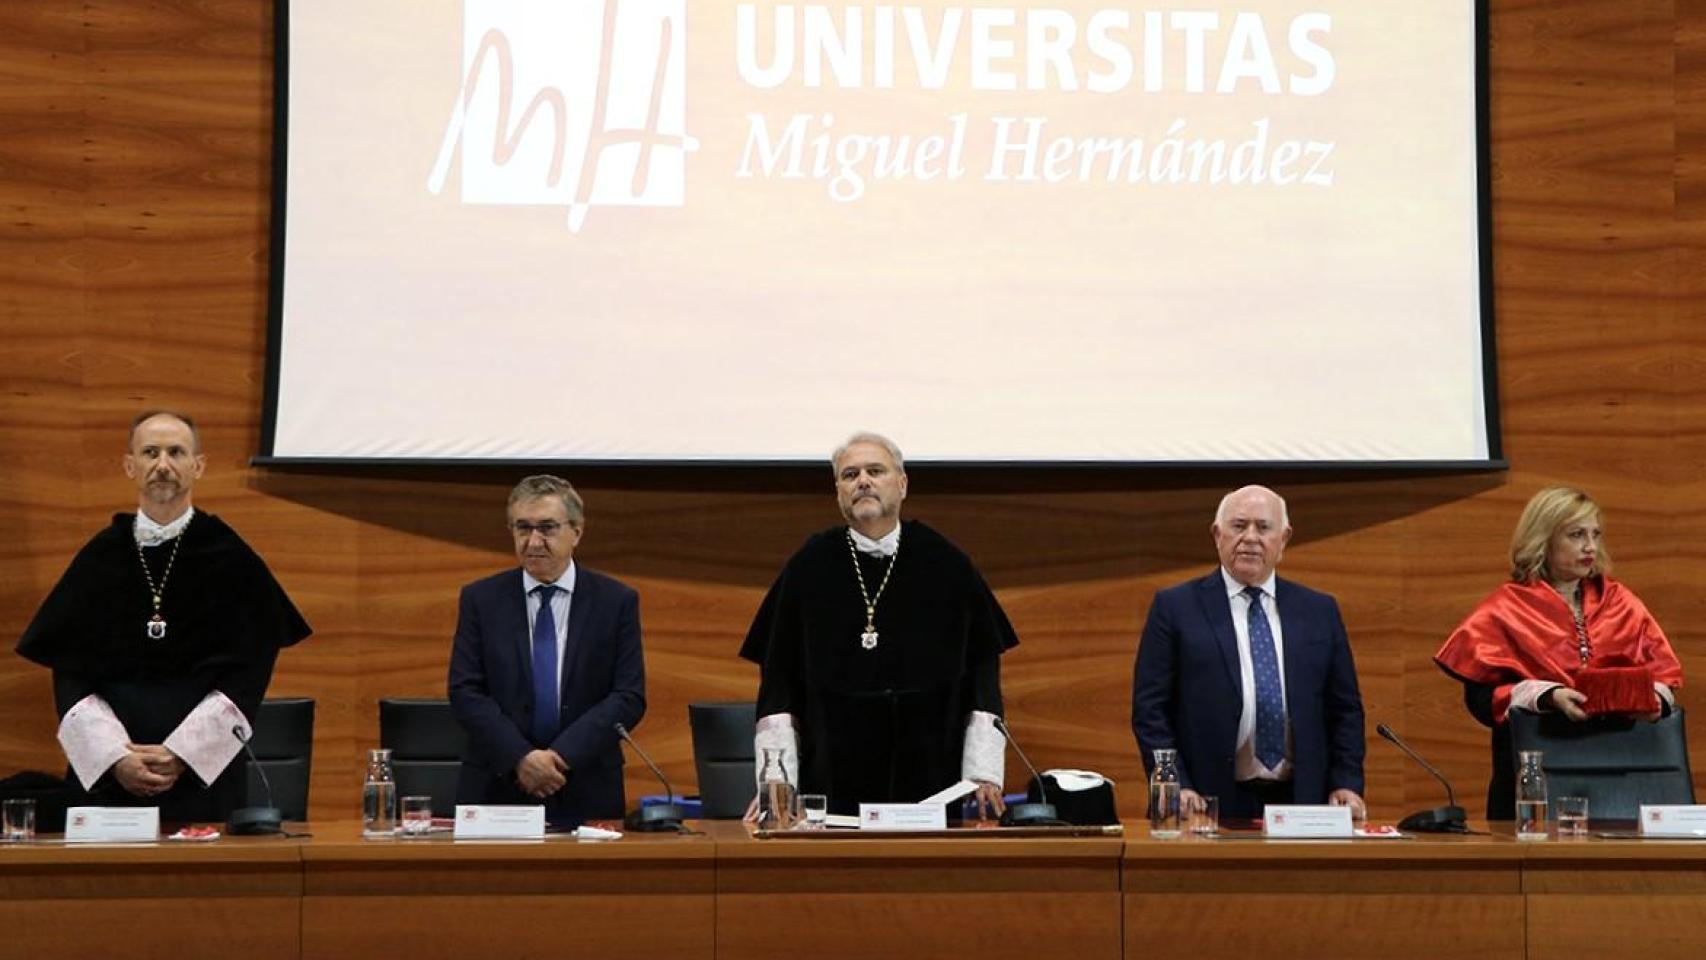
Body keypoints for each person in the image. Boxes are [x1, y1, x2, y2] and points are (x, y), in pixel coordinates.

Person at [15, 410, 311, 823]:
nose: (163, 465)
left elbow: (248, 675)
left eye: (176, 452)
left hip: (203, 781)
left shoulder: (231, 559)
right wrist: (116, 756)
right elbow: (70, 674)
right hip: (110, 782)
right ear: (130, 465)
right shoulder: (101, 559)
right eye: (150, 452)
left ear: (198, 465)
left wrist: (181, 753)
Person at [740, 432, 1017, 818]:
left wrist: (983, 775)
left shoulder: (946, 564)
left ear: (902, 485)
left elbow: (983, 679)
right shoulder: (809, 566)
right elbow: (777, 688)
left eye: (875, 471)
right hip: (834, 781)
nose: (863, 481)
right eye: (850, 475)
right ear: (838, 492)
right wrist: (776, 780)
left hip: (931, 782)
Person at [1435, 485, 1683, 818]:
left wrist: (1653, 700)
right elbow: (1481, 699)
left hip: (1623, 772)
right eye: (1577, 535)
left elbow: (1666, 677)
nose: (1590, 546)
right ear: (1544, 539)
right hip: (1537, 780)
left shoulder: (1622, 602)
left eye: (1596, 534)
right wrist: (1547, 695)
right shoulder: (1505, 609)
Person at [1131, 485, 1366, 821]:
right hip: (1202, 800)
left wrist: (1346, 782)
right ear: (1217, 535)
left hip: (1303, 800)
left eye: (1264, 527)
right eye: (1239, 526)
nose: (1251, 538)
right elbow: (1150, 710)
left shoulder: (1319, 610)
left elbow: (1345, 709)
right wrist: (1176, 784)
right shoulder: (1176, 607)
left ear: (1284, 539)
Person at [448, 475, 645, 826]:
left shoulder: (615, 601)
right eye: (522, 528)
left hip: (585, 782)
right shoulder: (481, 599)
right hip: (498, 784)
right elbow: (465, 691)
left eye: (547, 528)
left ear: (577, 532)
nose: (533, 541)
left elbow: (628, 695)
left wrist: (558, 758)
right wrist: (521, 758)